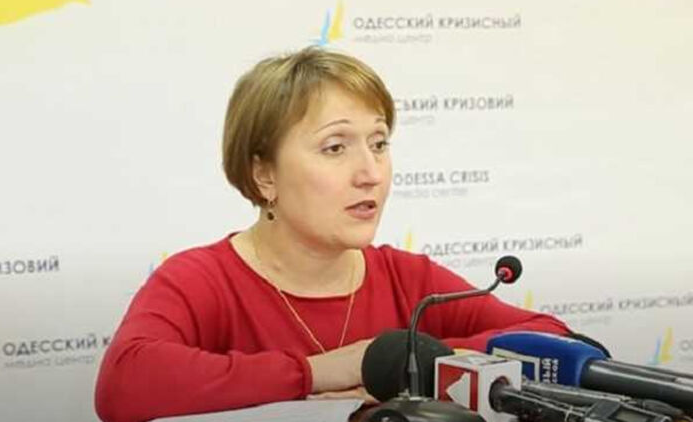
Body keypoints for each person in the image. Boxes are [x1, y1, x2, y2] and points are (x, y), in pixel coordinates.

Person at [94, 47, 570, 422]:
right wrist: (319, 372)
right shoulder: (203, 279)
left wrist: (426, 363)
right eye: (335, 147)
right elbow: (124, 384)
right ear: (264, 175)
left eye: (379, 143)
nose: (371, 173)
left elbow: (556, 340)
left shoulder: (407, 278)